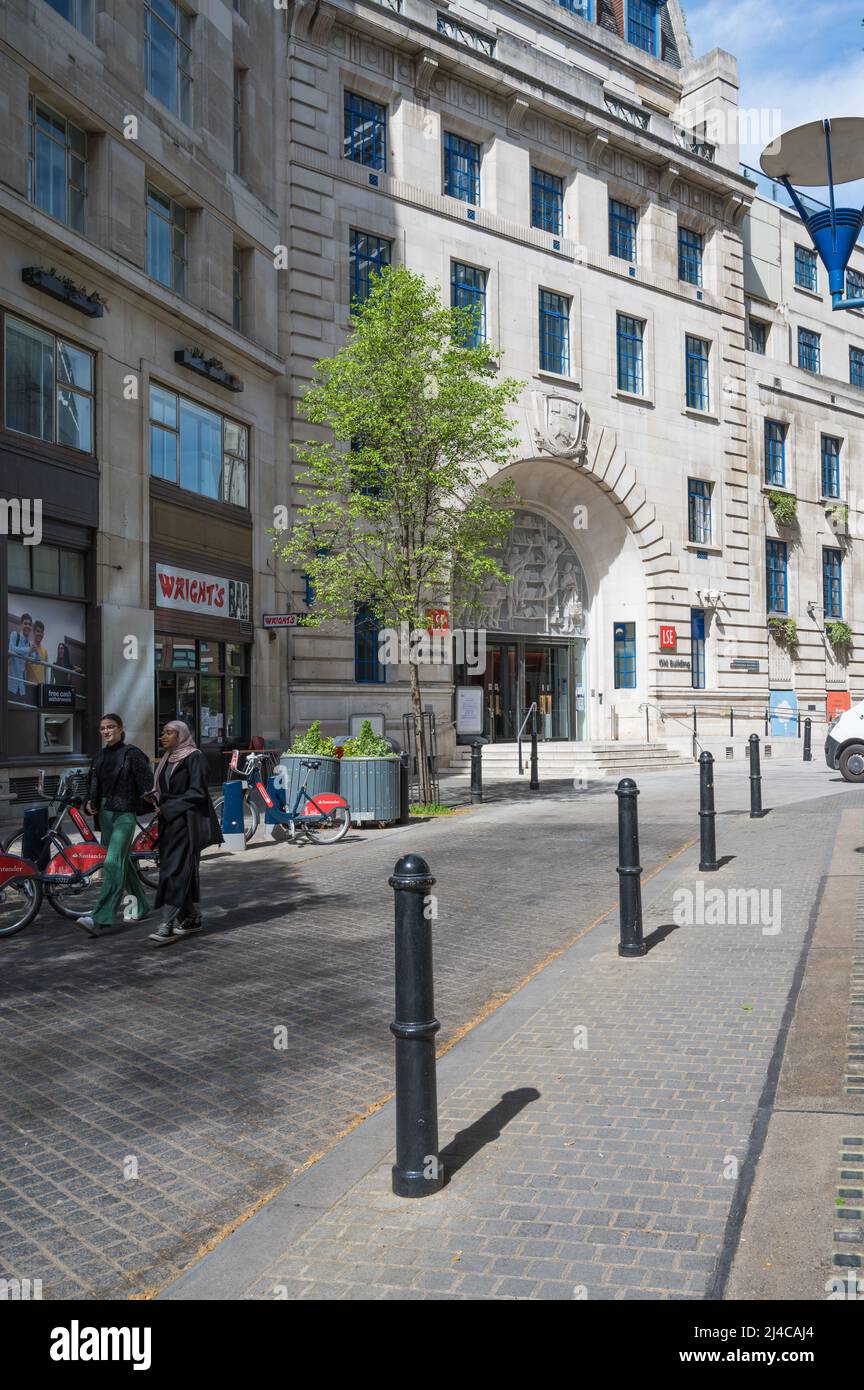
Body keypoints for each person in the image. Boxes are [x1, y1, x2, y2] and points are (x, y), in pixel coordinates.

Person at [76, 713, 154, 938]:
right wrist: (88, 803)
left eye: (111, 727)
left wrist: (155, 802)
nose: (106, 731)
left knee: (112, 862)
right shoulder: (99, 756)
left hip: (124, 814)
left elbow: (147, 786)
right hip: (105, 815)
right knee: (123, 862)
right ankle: (139, 906)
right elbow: (93, 784)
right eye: (102, 728)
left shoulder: (133, 754)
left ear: (121, 729)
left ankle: (100, 918)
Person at [147, 721, 223, 947]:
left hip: (188, 824)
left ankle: (167, 923)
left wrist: (168, 807)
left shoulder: (195, 757)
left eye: (169, 733)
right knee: (178, 870)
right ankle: (190, 917)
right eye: (163, 732)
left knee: (174, 872)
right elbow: (165, 790)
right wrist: (154, 797)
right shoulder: (167, 760)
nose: (163, 736)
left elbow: (198, 792)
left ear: (181, 735)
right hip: (169, 823)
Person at [8, 612, 34, 696]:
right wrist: (28, 649)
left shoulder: (29, 644)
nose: (27, 626)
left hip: (21, 687)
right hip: (11, 684)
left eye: (29, 624)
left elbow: (36, 658)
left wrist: (36, 652)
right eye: (25, 623)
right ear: (21, 625)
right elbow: (11, 649)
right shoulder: (15, 635)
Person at [25, 620, 49, 686]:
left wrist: (47, 686)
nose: (40, 634)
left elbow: (46, 671)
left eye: (41, 632)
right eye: (38, 631)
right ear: (33, 632)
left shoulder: (45, 650)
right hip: (29, 685)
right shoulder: (28, 645)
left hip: (41, 686)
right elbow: (22, 666)